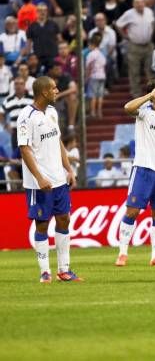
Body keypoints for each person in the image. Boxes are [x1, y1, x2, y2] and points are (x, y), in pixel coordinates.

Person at [17, 76, 80, 282]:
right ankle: (45, 272)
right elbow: (24, 149)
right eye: (53, 88)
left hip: (59, 179)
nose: (57, 90)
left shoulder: (52, 112)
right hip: (39, 183)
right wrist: (39, 177)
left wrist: (69, 169)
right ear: (43, 92)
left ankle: (65, 270)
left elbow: (58, 141)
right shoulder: (26, 116)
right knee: (42, 224)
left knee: (64, 219)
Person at [115, 79, 155, 267]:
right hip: (143, 168)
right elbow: (127, 107)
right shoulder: (143, 112)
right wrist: (150, 96)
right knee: (132, 211)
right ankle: (122, 253)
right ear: (152, 94)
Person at [115, 0, 155, 98]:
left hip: (148, 45)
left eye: (141, 2)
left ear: (144, 3)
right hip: (134, 46)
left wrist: (151, 34)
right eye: (137, 2)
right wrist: (125, 37)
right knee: (134, 71)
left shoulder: (149, 11)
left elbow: (153, 23)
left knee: (150, 70)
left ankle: (152, 94)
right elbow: (118, 24)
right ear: (133, 4)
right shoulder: (129, 14)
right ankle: (136, 94)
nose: (140, 4)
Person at [85, 34, 107, 118]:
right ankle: (99, 112)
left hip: (94, 76)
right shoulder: (102, 54)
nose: (89, 47)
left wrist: (87, 77)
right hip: (102, 76)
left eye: (89, 45)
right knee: (100, 95)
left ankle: (93, 112)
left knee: (93, 95)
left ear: (92, 44)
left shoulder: (91, 54)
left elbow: (89, 66)